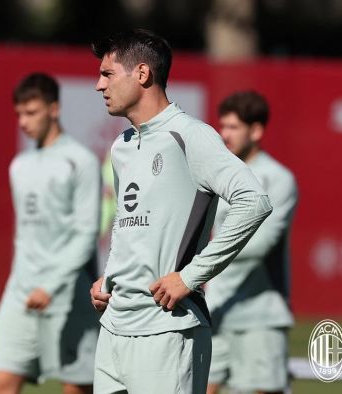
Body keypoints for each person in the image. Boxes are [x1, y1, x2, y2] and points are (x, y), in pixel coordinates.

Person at [88, 29, 273, 394]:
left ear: (142, 74)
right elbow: (128, 227)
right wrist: (108, 279)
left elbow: (254, 201)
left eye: (107, 74)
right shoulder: (120, 147)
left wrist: (190, 276)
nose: (98, 85)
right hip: (112, 330)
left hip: (168, 330)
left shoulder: (190, 134)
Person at [0, 73, 101, 394]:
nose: (24, 121)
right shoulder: (18, 165)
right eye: (19, 114)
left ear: (54, 109)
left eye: (32, 112)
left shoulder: (81, 160)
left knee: (77, 387)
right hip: (20, 291)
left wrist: (50, 285)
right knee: (0, 382)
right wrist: (25, 282)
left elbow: (86, 233)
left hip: (68, 291)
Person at [206, 91, 297, 394]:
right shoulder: (216, 175)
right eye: (222, 126)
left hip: (260, 317)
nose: (224, 134)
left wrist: (197, 265)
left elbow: (259, 244)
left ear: (256, 131)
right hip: (214, 311)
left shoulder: (278, 178)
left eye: (233, 127)